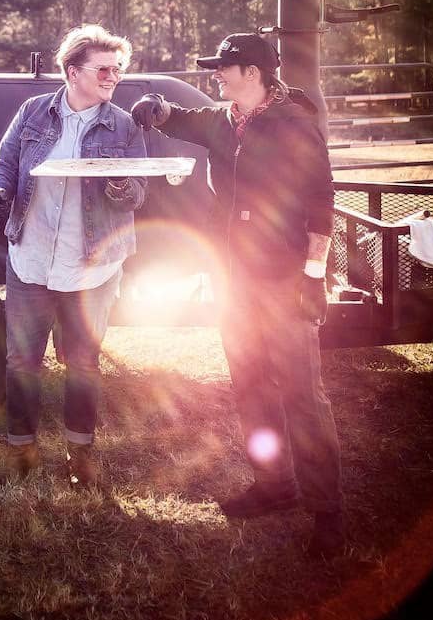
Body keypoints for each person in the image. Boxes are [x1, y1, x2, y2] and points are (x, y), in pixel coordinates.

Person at [131, 32, 344, 557]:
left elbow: (322, 202)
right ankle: (275, 485)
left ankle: (328, 513)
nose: (216, 75)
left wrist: (313, 275)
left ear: (253, 72)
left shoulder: (294, 123)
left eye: (224, 68)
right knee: (250, 384)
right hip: (233, 279)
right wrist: (156, 107)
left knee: (302, 393)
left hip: (283, 279)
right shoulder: (224, 119)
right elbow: (181, 119)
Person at [0, 25, 147, 488]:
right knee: (22, 362)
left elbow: (139, 191)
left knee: (83, 364)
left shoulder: (124, 125)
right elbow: (2, 164)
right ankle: (21, 449)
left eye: (117, 69)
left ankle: (80, 454)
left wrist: (121, 185)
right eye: (103, 69)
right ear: (73, 72)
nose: (113, 76)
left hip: (92, 267)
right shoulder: (33, 112)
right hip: (31, 260)